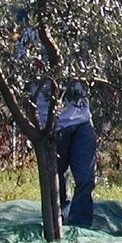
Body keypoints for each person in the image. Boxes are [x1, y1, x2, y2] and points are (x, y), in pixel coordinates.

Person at [20, 28, 97, 228]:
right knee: (58, 183)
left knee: (86, 179)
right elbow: (21, 74)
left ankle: (81, 228)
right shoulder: (30, 38)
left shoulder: (75, 30)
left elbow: (91, 66)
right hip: (53, 123)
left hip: (82, 121)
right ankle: (59, 225)